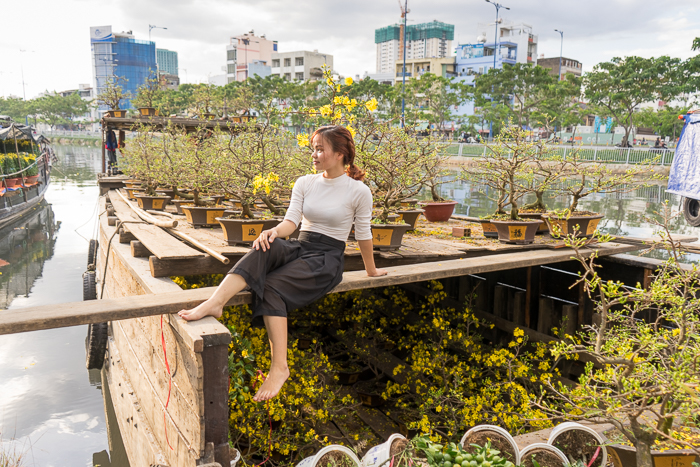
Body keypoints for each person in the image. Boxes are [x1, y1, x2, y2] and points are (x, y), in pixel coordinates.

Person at [178, 125, 388, 401]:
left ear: (340, 154)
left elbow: (363, 234)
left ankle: (280, 367)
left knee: (273, 286)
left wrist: (370, 270)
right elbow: (292, 222)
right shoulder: (305, 182)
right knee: (266, 246)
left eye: (320, 149)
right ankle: (215, 302)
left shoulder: (358, 191)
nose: (314, 154)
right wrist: (273, 232)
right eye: (313, 148)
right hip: (301, 245)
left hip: (327, 259)